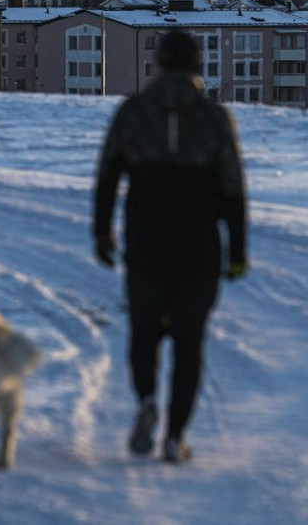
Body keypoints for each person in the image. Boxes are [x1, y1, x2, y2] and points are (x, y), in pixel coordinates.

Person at [92, 29, 247, 462]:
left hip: (146, 240)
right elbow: (234, 188)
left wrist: (102, 232)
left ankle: (145, 400)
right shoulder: (215, 118)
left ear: (158, 64)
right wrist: (237, 252)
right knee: (188, 341)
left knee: (144, 332)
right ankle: (176, 435)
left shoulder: (133, 112)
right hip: (199, 245)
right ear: (198, 67)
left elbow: (107, 177)